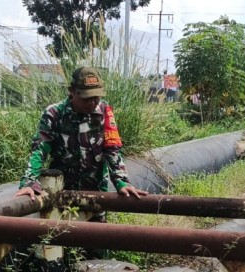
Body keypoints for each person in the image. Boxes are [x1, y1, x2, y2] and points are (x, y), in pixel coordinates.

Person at [15, 67, 147, 201]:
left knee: (96, 222)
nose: (91, 103)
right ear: (71, 91)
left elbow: (112, 149)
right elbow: (39, 150)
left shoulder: (104, 111)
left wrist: (121, 181)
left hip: (96, 194)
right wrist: (29, 182)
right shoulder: (54, 114)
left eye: (96, 97)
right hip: (61, 193)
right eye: (86, 98)